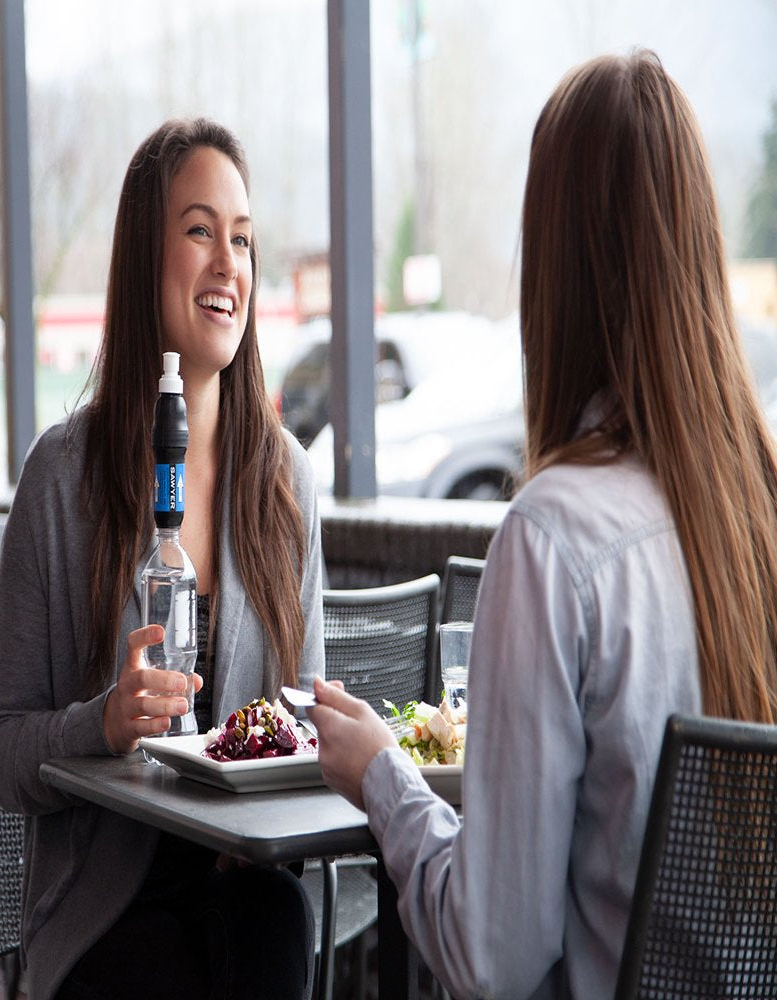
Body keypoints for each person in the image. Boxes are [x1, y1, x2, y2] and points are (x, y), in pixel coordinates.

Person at [308, 49, 777, 1000]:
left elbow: (495, 956)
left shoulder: (555, 538)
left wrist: (384, 779)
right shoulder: (755, 514)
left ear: (553, 265)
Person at [0, 117, 325, 1000]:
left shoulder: (285, 481)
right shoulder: (60, 478)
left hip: (246, 887)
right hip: (105, 911)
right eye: (201, 230)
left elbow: (309, 723)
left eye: (243, 240)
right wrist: (100, 724)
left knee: (276, 927)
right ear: (146, 256)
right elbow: (3, 753)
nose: (229, 265)